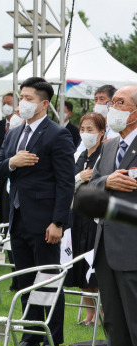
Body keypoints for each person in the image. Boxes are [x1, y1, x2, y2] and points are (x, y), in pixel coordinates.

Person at [0, 77, 75, 346]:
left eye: (28, 98)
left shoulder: (57, 134)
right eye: (21, 97)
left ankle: (53, 337)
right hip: (18, 216)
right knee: (24, 278)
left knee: (48, 278)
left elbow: (65, 182)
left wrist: (58, 222)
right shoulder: (14, 133)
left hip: (45, 220)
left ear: (44, 103)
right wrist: (12, 162)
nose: (22, 103)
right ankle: (31, 333)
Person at [88, 85, 137, 346]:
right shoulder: (108, 147)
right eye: (112, 102)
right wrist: (106, 181)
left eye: (120, 102)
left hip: (133, 251)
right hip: (105, 250)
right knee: (116, 331)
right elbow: (91, 186)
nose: (112, 107)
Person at [65, 112, 105, 325]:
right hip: (77, 216)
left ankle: (102, 314)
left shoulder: (105, 154)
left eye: (90, 130)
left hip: (95, 218)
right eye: (82, 129)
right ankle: (89, 313)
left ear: (101, 132)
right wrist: (79, 178)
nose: (85, 134)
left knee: (95, 266)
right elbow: (66, 186)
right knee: (81, 266)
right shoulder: (77, 156)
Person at [0, 93, 14, 224]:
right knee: (2, 202)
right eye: (4, 103)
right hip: (0, 168)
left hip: (13, 169)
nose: (6, 106)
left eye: (9, 103)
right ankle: (3, 224)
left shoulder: (20, 125)